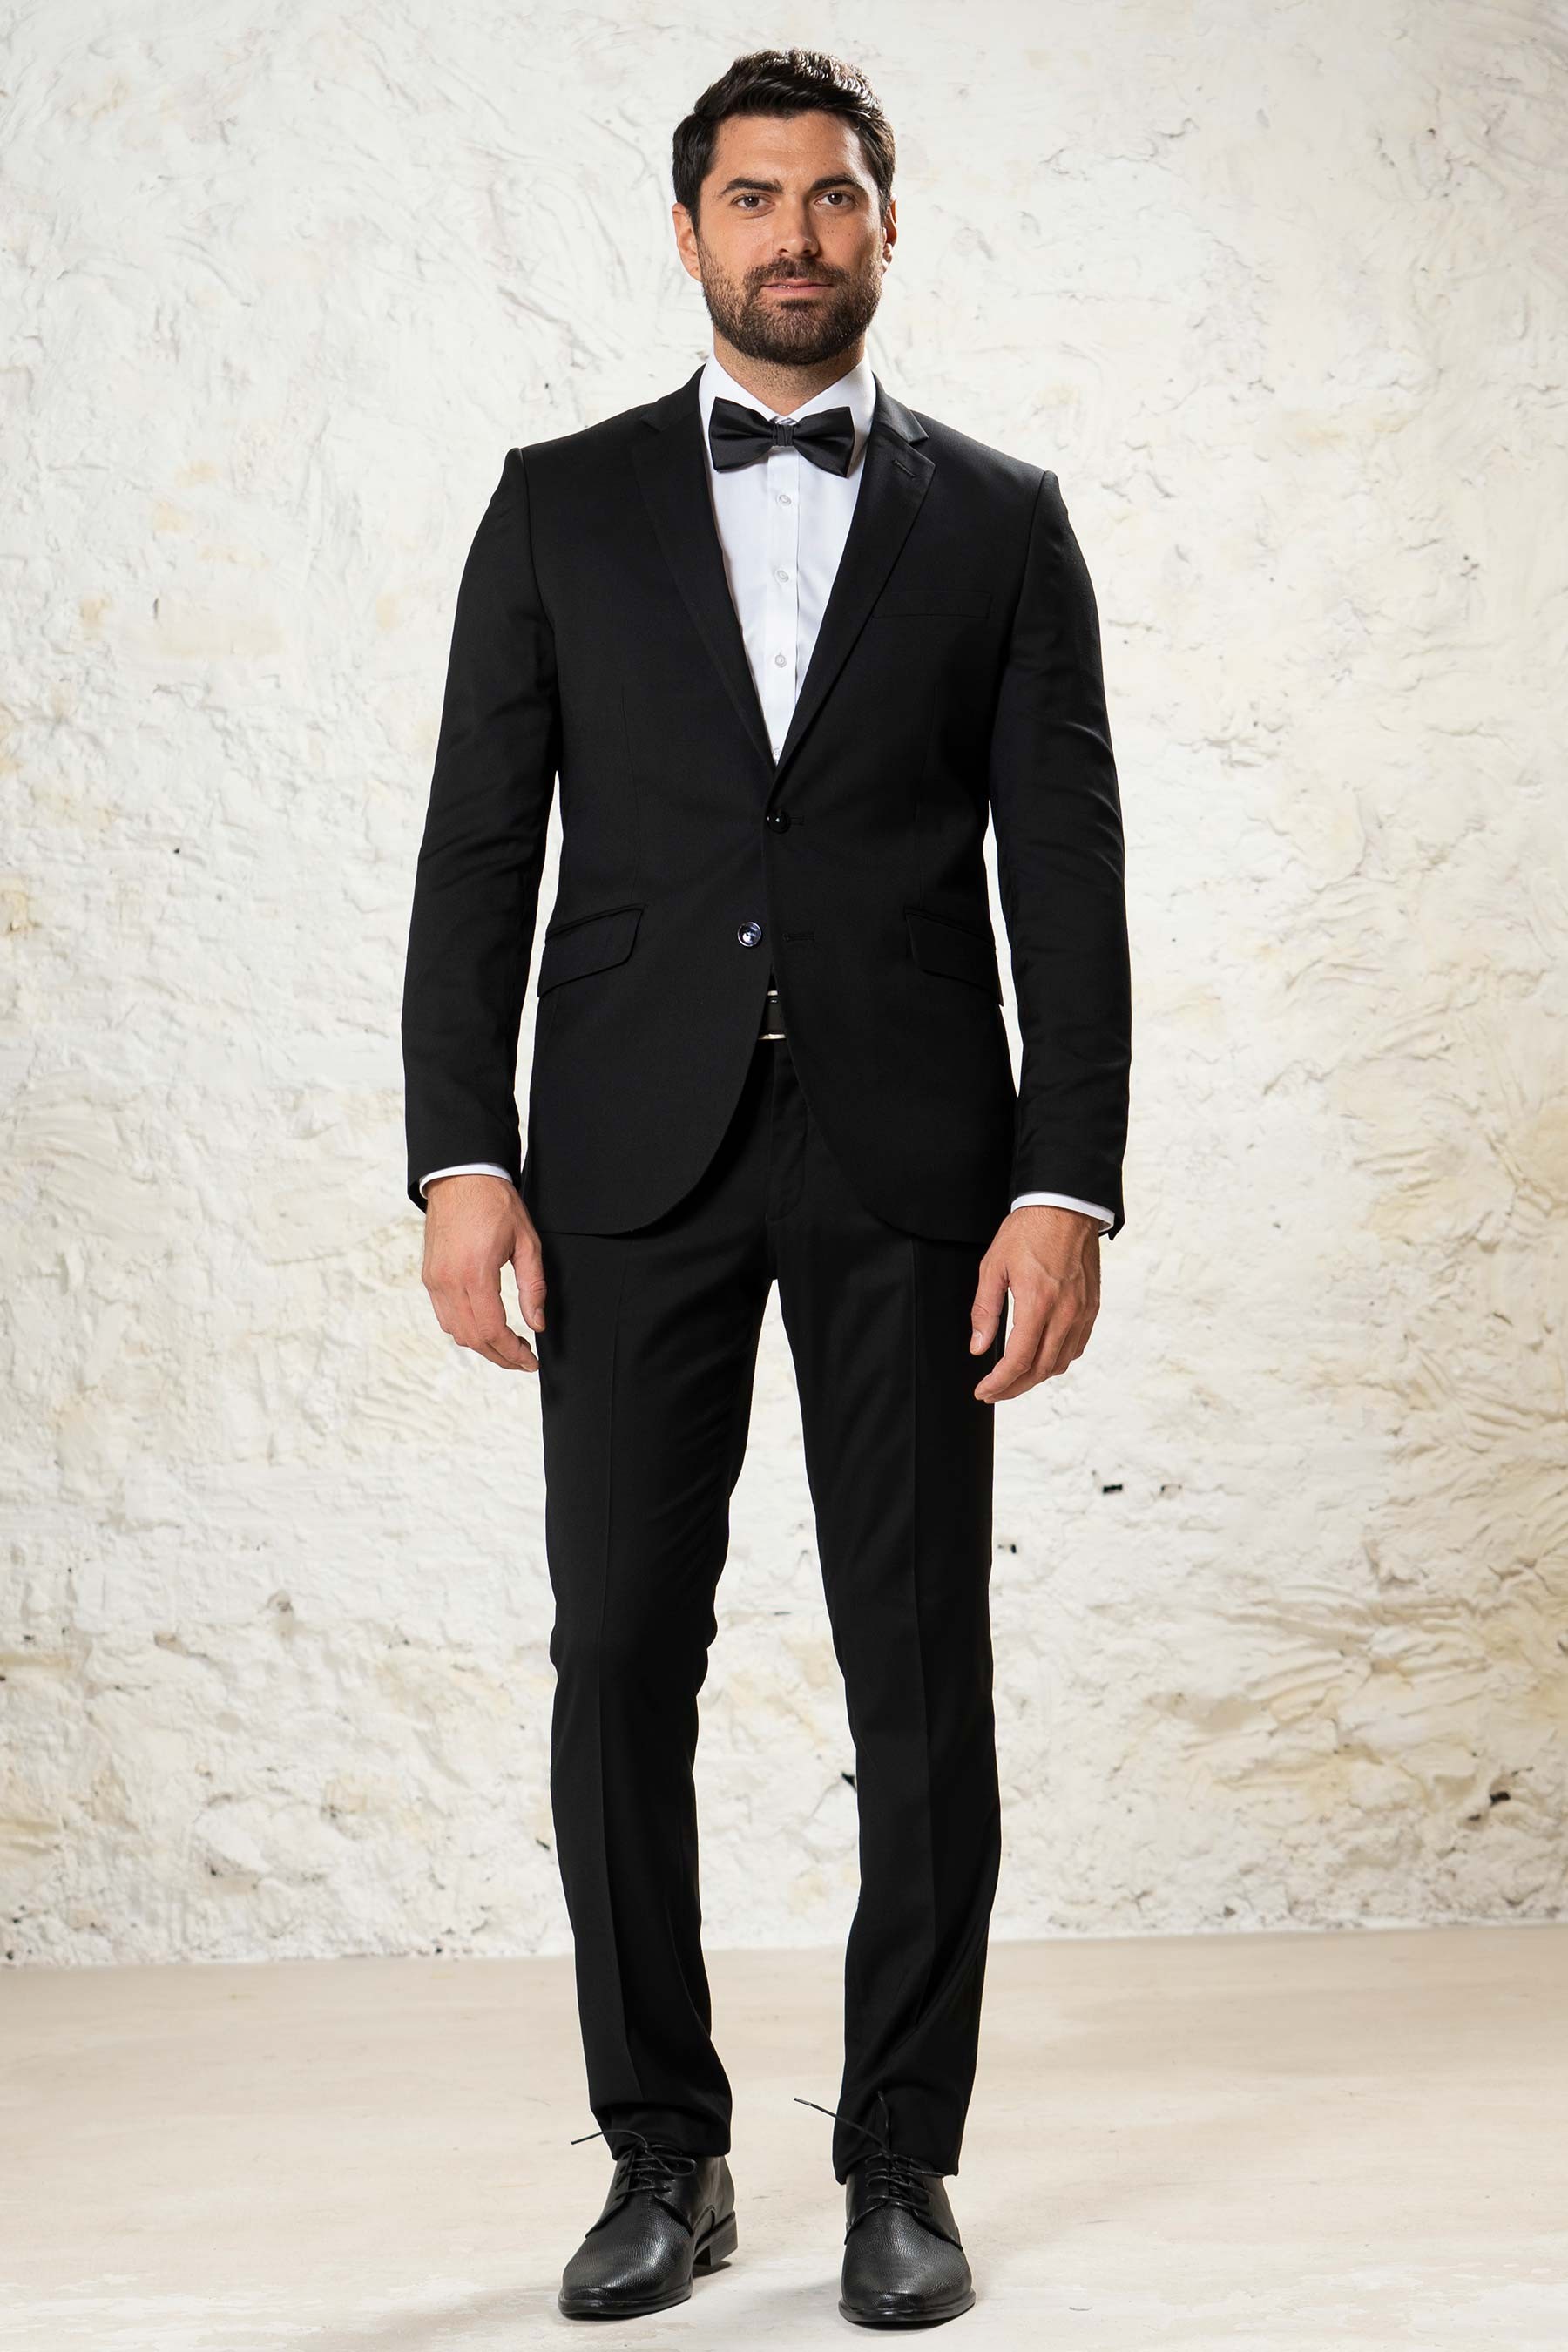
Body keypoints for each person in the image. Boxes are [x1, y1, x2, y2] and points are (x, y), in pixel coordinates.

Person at [401, 44, 1131, 2328]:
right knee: (621, 1649)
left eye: (833, 198)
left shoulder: (1001, 520)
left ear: (887, 229)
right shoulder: (558, 507)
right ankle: (662, 2151)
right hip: (632, 1161)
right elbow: (476, 855)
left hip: (918, 1165)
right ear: (688, 230)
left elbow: (1069, 882)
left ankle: (902, 2157)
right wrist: (462, 1158)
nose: (794, 236)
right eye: (753, 198)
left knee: (920, 1663)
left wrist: (1068, 1185)